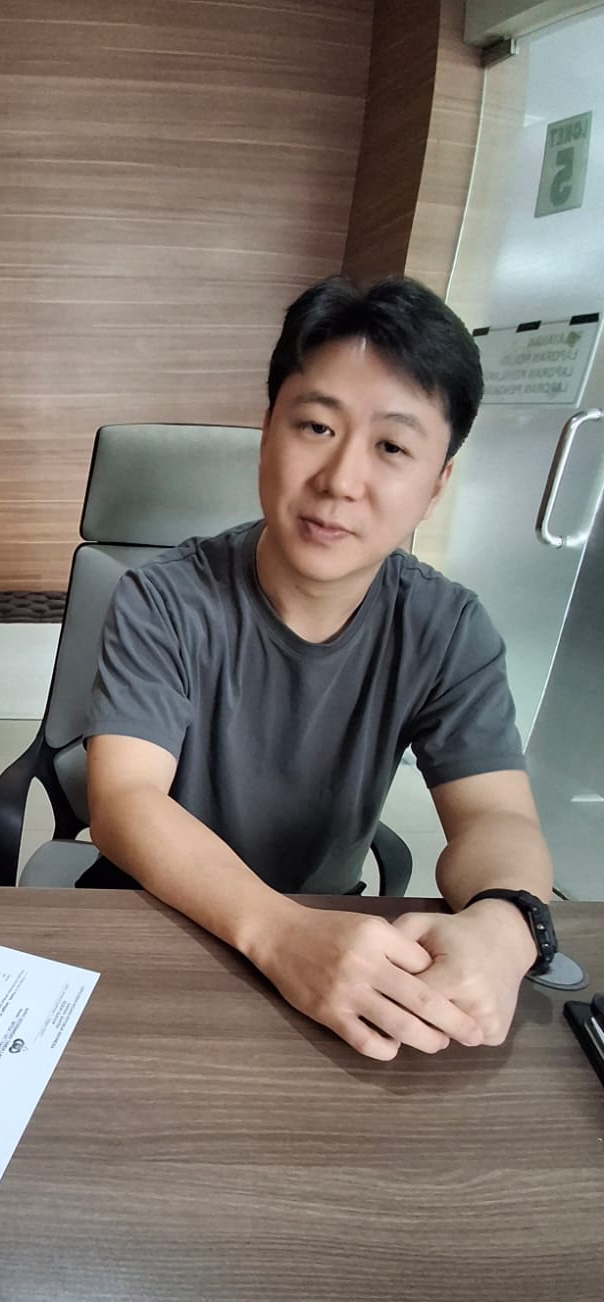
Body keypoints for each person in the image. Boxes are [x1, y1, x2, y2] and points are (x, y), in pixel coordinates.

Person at [83, 276, 555, 1062]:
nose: (340, 481)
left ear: (435, 486)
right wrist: (279, 932)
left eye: (392, 447)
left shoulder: (447, 628)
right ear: (267, 430)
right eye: (315, 426)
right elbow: (125, 800)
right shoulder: (163, 598)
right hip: (159, 918)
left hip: (327, 934)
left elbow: (496, 819)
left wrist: (507, 924)